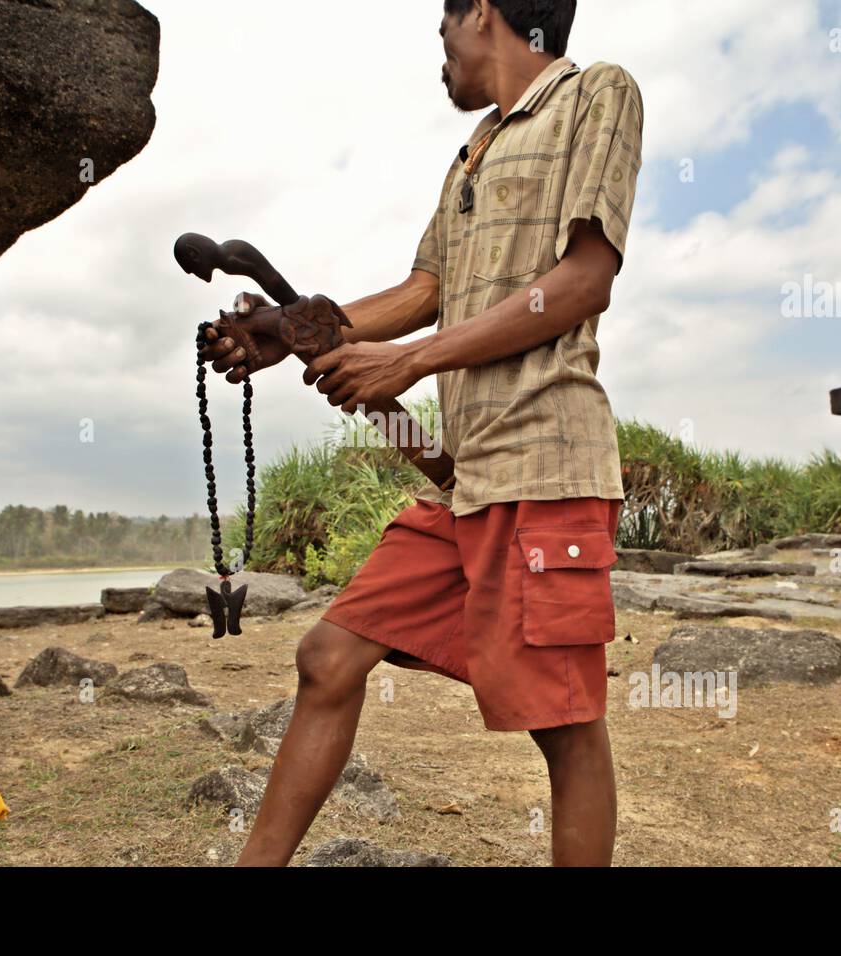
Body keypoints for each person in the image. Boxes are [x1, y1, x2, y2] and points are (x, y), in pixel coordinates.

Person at [199, 0, 643, 866]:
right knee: (329, 656)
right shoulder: (471, 151)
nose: (439, 54)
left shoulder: (596, 95)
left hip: (547, 471)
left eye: (441, 31)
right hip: (466, 481)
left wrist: (409, 364)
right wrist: (286, 333)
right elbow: (422, 290)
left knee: (565, 726)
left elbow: (584, 280)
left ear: (480, 12)